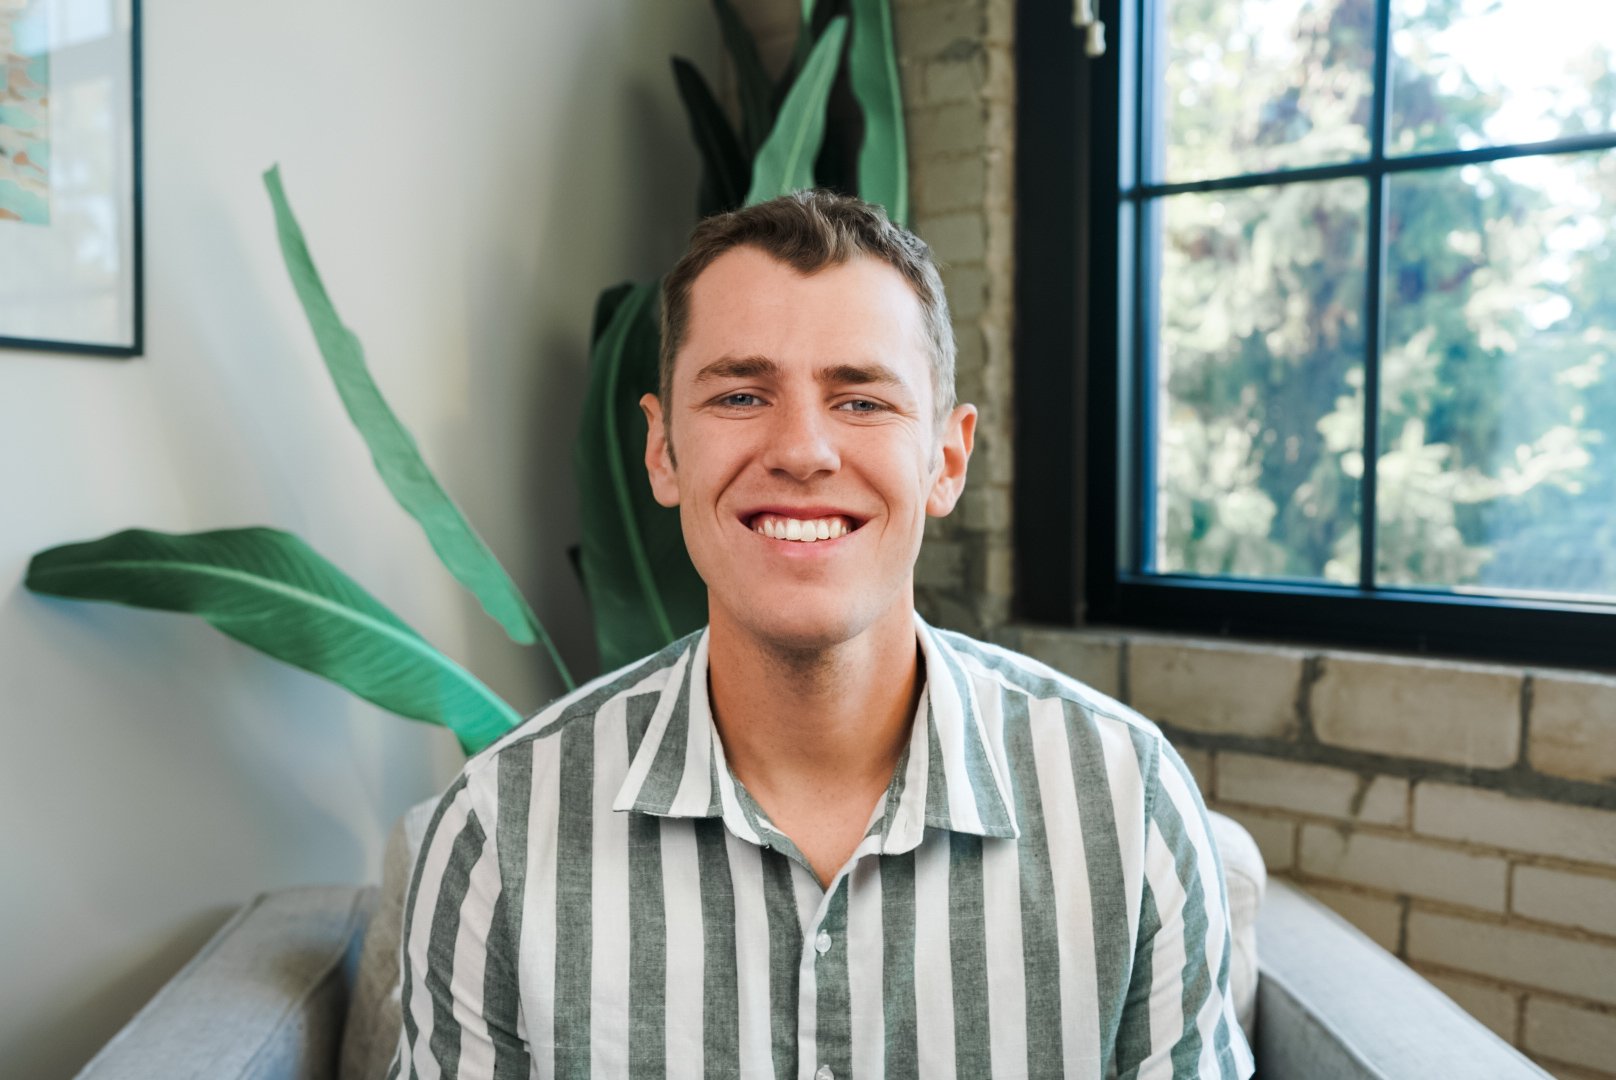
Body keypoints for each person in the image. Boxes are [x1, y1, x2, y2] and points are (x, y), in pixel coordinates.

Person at [389, 191, 1253, 1079]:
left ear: (946, 461)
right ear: (662, 451)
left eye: (863, 401)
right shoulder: (501, 827)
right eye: (740, 394)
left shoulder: (1125, 803)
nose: (802, 450)